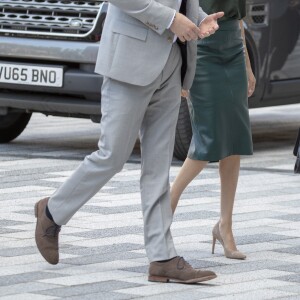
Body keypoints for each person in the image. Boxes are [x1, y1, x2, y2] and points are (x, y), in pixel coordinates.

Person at [34, 0, 224, 284]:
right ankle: (52, 210)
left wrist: (199, 18)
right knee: (112, 155)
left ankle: (162, 257)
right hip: (129, 58)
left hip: (173, 63)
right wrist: (171, 19)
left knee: (158, 167)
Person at [171, 0, 256, 260]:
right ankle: (163, 210)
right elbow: (177, 12)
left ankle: (225, 227)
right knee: (205, 142)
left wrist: (248, 67)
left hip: (234, 48)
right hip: (201, 46)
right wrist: (181, 68)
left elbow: (239, 19)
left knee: (234, 139)